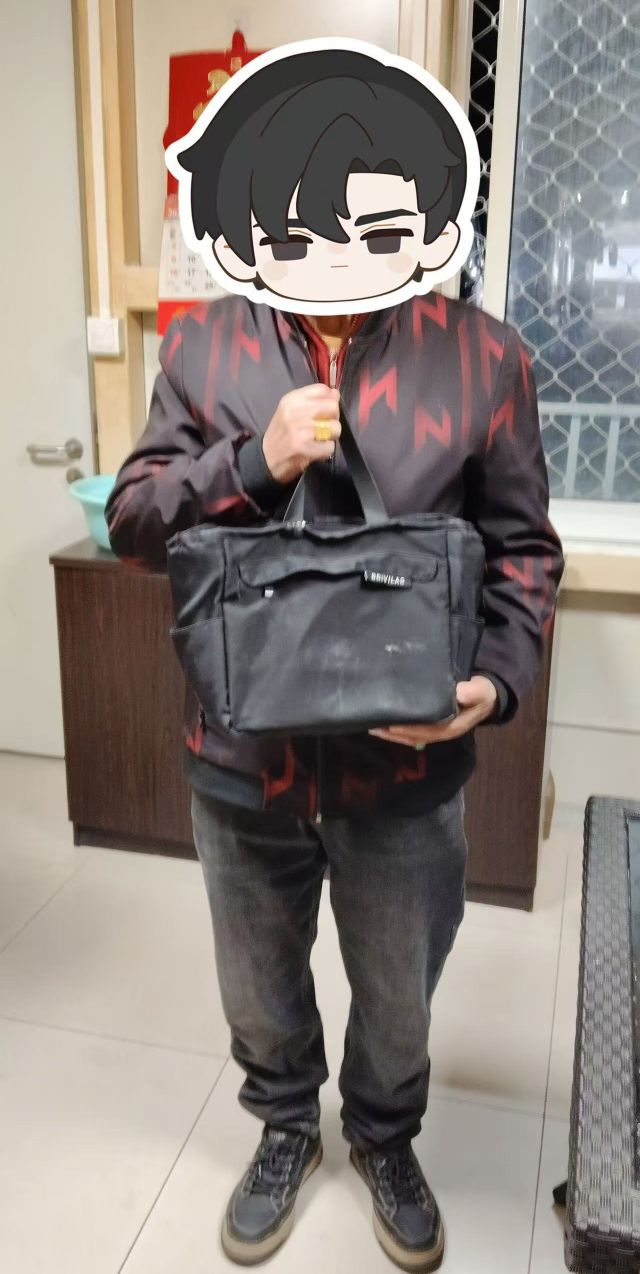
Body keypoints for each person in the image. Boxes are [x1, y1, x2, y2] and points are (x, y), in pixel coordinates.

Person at [105, 47, 565, 1274]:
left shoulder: (484, 357)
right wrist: (251, 460)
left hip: (405, 765)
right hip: (240, 754)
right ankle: (280, 1126)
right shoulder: (205, 348)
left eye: (385, 218)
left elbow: (524, 550)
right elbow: (136, 522)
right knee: (257, 980)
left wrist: (490, 684)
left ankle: (383, 1134)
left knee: (399, 989)